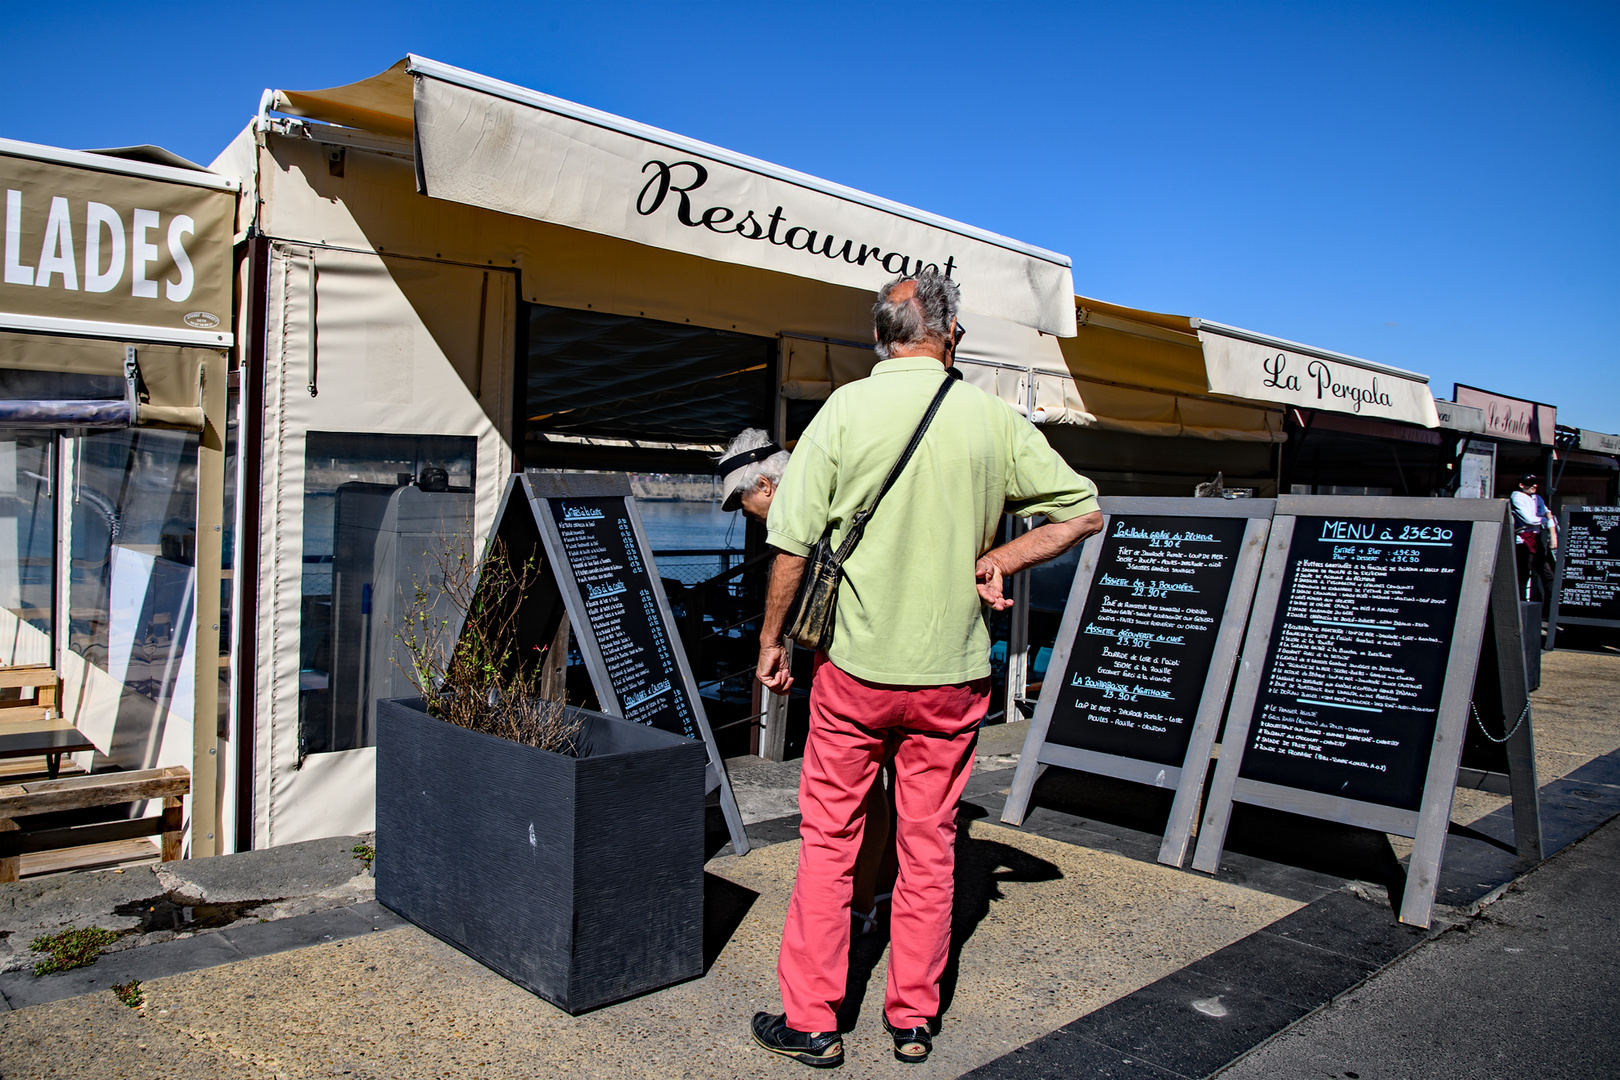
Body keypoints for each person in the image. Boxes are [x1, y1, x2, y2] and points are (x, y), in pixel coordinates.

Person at [749, 270, 1103, 1068]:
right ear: (953, 336)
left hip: (856, 676)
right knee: (931, 845)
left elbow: (793, 543)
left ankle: (812, 1020)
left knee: (830, 844)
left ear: (880, 335)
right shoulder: (989, 420)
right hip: (953, 679)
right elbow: (1083, 509)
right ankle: (911, 1020)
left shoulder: (844, 411)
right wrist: (1003, 556)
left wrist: (773, 640)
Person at [719, 428, 900, 930]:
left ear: (766, 483)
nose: (748, 515)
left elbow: (792, 559)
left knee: (839, 803)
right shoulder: (841, 482)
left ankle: (848, 914)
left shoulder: (806, 502)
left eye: (743, 501)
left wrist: (769, 642)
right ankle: (875, 893)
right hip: (903, 653)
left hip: (854, 660)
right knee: (881, 787)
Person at [1510, 473, 1558, 602]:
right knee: (1523, 574)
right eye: (1530, 484)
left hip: (1536, 539)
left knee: (1547, 574)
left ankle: (1549, 608)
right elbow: (1529, 520)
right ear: (1522, 485)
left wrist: (1552, 533)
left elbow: (1548, 514)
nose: (1534, 486)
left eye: (1535, 483)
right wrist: (1545, 518)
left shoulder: (1537, 498)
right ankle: (1521, 606)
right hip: (1523, 540)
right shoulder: (1517, 497)